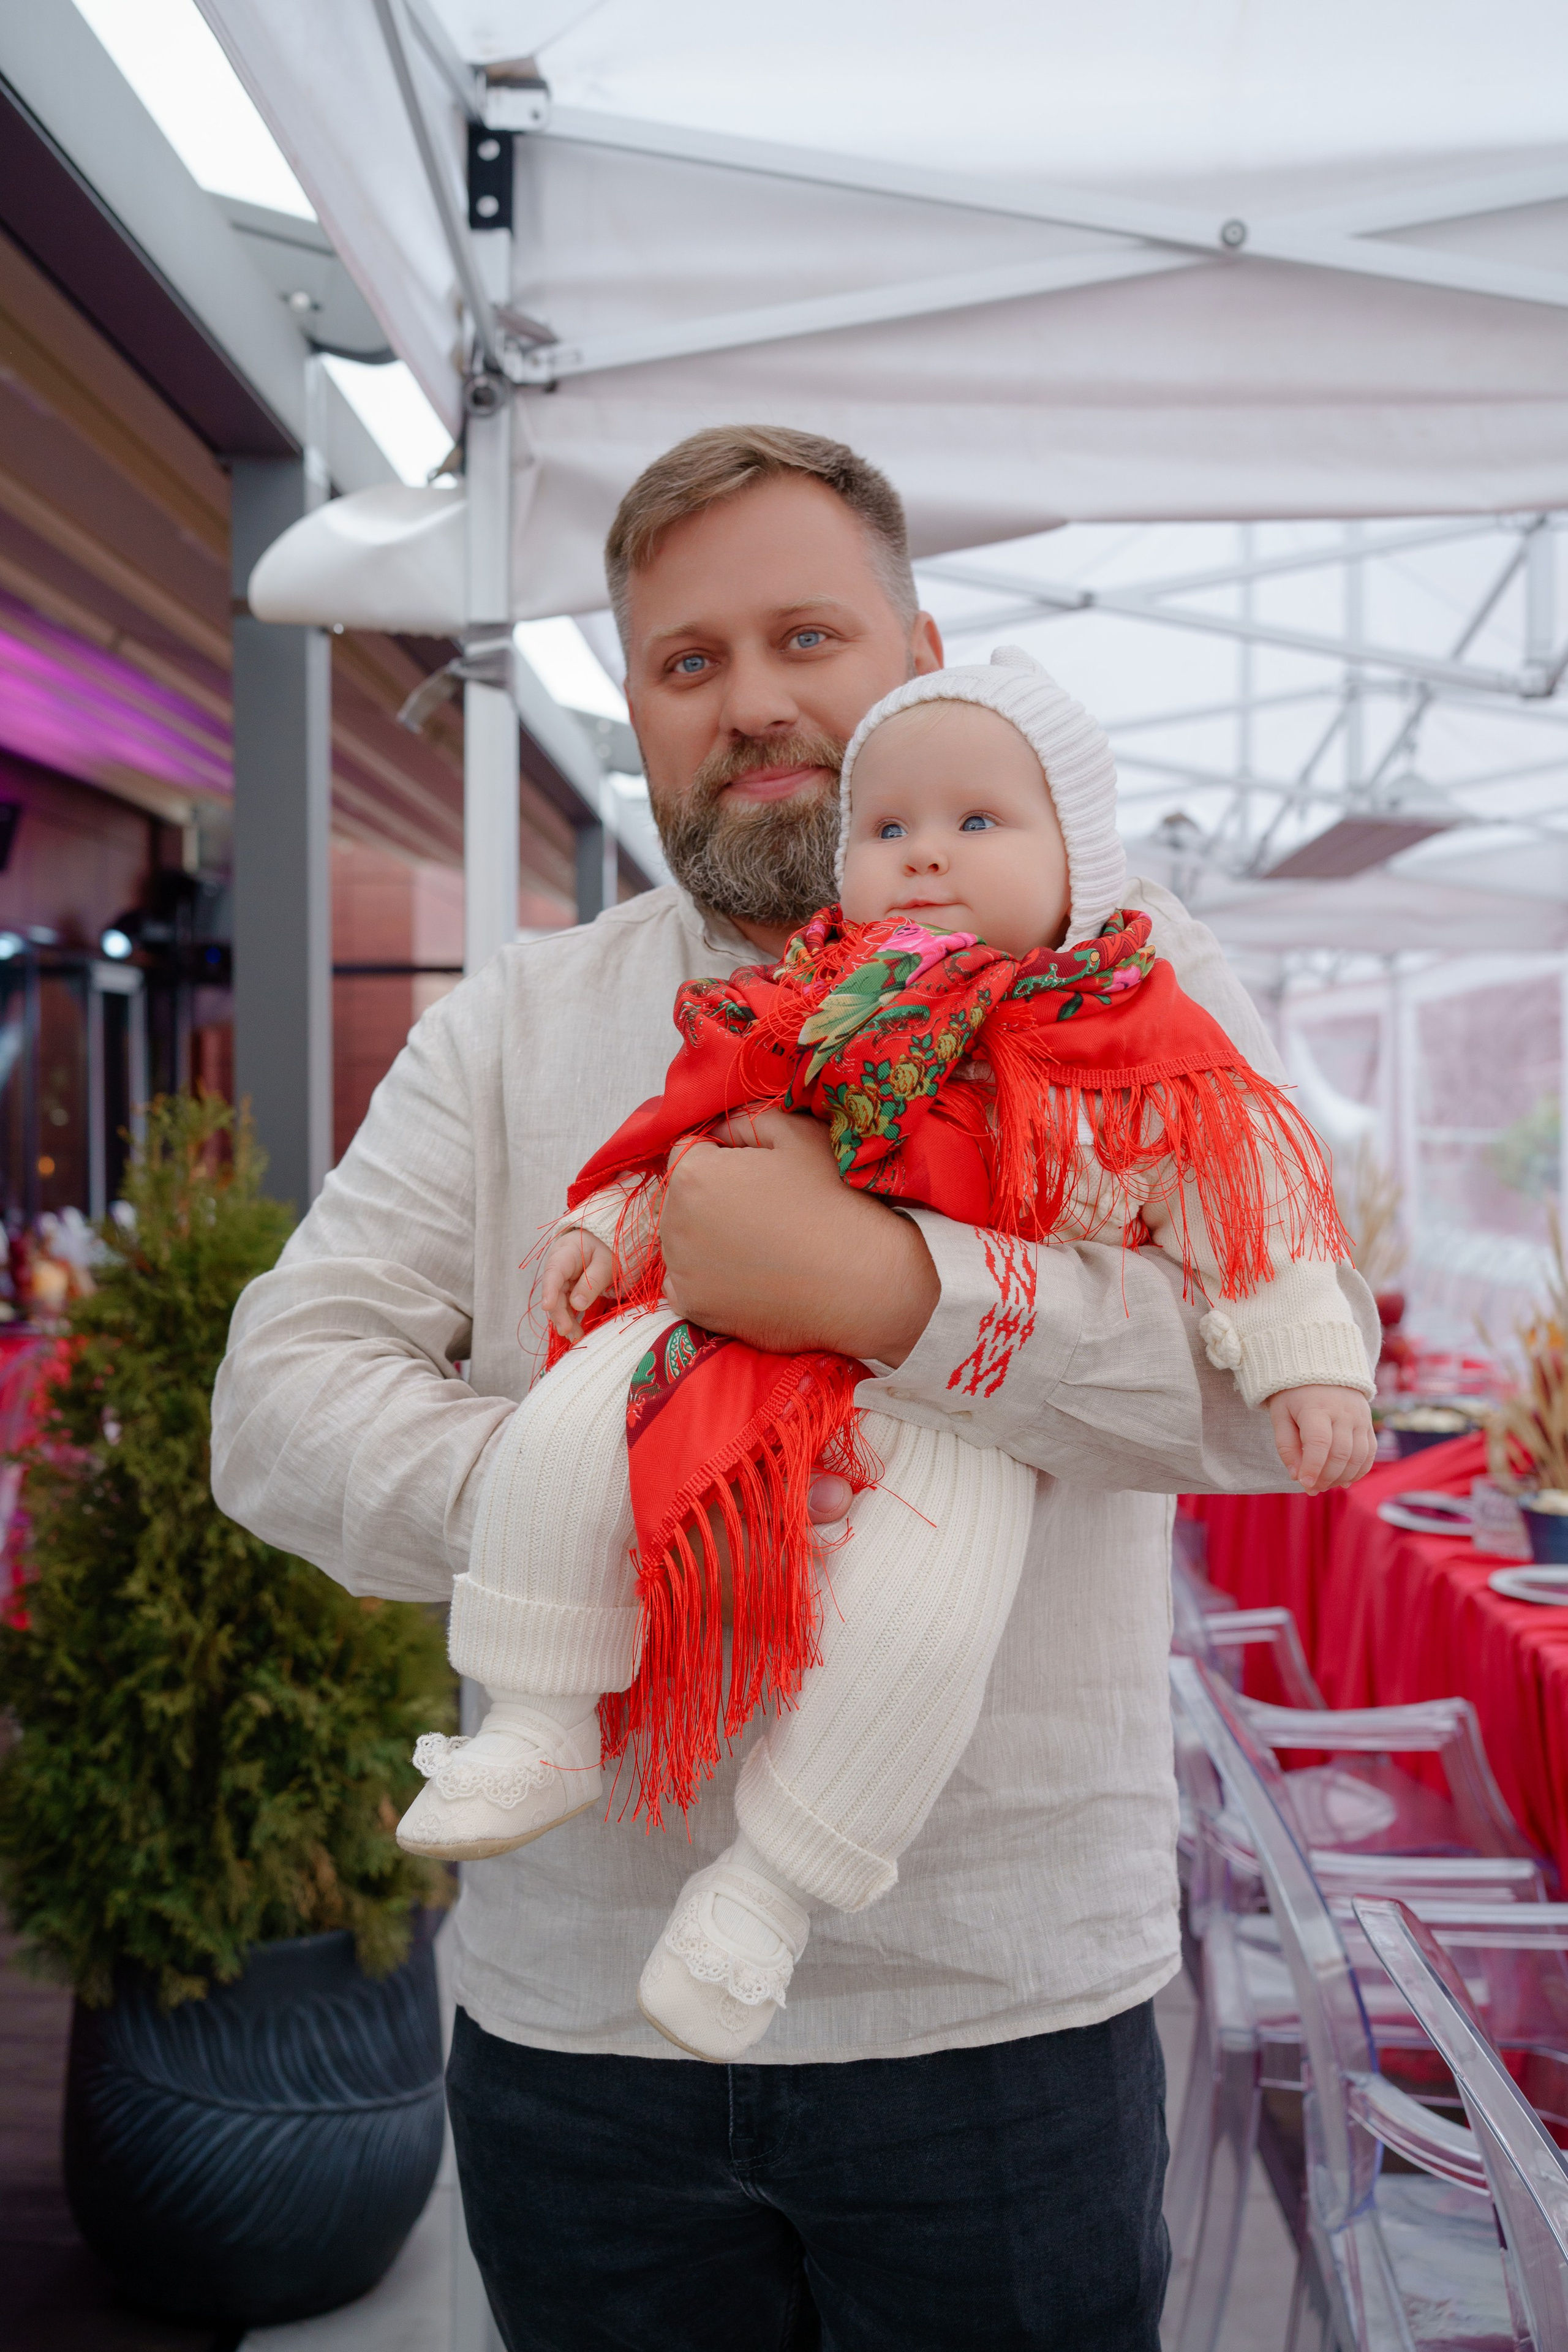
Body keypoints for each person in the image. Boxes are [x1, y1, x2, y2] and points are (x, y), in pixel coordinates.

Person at [211, 424, 1379, 2351]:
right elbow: (280, 1402)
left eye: (806, 637)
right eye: (687, 662)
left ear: (920, 652)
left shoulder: (1130, 986)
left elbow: (1274, 1397)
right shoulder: (516, 1026)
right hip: (577, 2025)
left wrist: (900, 1293)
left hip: (992, 2014)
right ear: (639, 704)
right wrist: (611, 1485)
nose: (751, 703)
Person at [393, 650, 1375, 2074]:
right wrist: (613, 1221)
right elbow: (694, 1126)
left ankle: (765, 1898)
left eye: (977, 825)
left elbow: (1257, 1223)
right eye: (891, 829)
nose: (926, 855)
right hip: (714, 1344)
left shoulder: (1142, 1046)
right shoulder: (806, 1003)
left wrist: (1305, 1368)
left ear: (1077, 862)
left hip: (960, 1432)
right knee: (564, 1427)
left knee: (925, 1623)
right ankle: (543, 1713)